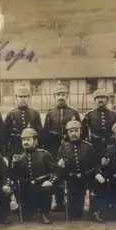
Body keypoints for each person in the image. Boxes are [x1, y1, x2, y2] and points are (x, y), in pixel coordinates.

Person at [43, 82, 81, 212]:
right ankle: (58, 202)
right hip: (54, 150)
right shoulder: (50, 113)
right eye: (58, 94)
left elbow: (81, 132)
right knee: (56, 174)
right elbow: (45, 134)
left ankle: (72, 203)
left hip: (70, 149)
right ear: (54, 96)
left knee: (71, 175)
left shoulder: (73, 112)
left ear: (67, 95)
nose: (61, 97)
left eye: (63, 94)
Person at [9, 128, 59, 224]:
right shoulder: (18, 157)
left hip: (41, 185)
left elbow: (55, 171)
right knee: (27, 216)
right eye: (23, 140)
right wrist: (13, 165)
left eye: (28, 139)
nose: (25, 142)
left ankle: (44, 213)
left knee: (45, 190)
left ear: (35, 141)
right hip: (26, 188)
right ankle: (26, 209)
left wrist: (50, 181)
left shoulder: (44, 154)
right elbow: (13, 176)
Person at [57, 119, 101, 220]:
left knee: (97, 185)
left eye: (76, 131)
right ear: (67, 133)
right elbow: (59, 164)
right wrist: (60, 164)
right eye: (71, 131)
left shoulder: (88, 146)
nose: (73, 133)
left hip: (87, 176)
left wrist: (97, 173)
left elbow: (95, 163)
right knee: (75, 213)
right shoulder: (63, 148)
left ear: (80, 132)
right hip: (71, 178)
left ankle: (95, 210)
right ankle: (73, 208)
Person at [3, 85, 43, 159]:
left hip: (32, 147)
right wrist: (6, 153)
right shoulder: (11, 114)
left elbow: (40, 134)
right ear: (16, 98)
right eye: (20, 97)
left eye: (25, 97)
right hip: (16, 148)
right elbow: (5, 135)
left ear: (29, 98)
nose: (22, 99)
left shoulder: (35, 113)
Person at [81, 89, 116, 156]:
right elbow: (83, 131)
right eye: (98, 98)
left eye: (102, 98)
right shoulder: (89, 114)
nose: (100, 100)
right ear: (95, 100)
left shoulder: (113, 114)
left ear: (107, 100)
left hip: (110, 144)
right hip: (94, 144)